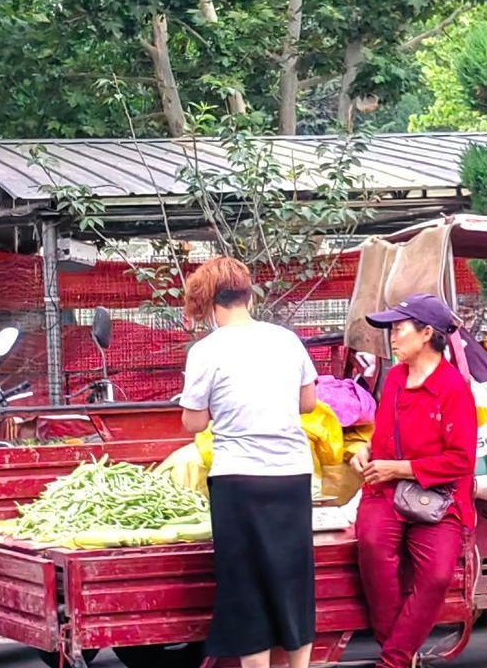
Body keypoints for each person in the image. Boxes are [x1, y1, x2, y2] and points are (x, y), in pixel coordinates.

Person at [178, 257, 318, 668]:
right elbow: (308, 402)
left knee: (246, 583)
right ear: (247, 295)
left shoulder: (206, 350)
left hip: (238, 478)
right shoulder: (286, 339)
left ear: (207, 302)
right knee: (293, 576)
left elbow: (193, 422)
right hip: (291, 473)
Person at [350, 293, 478, 668]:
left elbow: (461, 459)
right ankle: (399, 655)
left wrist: (399, 468)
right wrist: (367, 453)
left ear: (426, 333)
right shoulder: (394, 380)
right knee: (373, 546)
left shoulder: (454, 388)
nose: (392, 336)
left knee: (437, 576)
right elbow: (383, 438)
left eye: (398, 328)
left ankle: (393, 658)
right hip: (386, 491)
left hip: (439, 496)